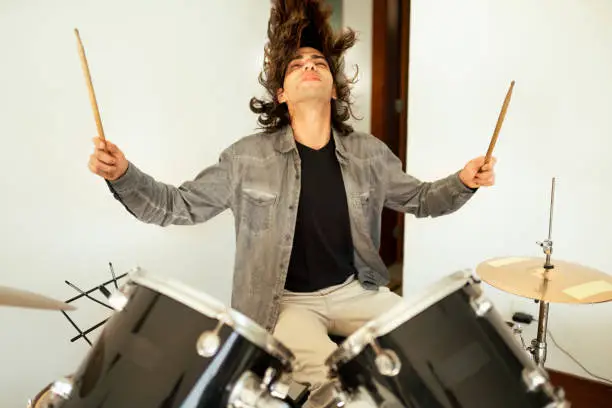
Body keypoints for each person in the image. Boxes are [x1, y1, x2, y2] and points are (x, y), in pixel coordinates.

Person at [88, 1, 496, 407]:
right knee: (335, 393)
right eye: (296, 64)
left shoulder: (370, 153)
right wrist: (123, 174)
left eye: (319, 62)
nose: (309, 66)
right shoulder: (245, 159)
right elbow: (175, 206)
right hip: (285, 303)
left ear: (334, 88)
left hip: (358, 290)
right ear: (281, 94)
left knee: (423, 351)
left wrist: (463, 181)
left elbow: (422, 199)